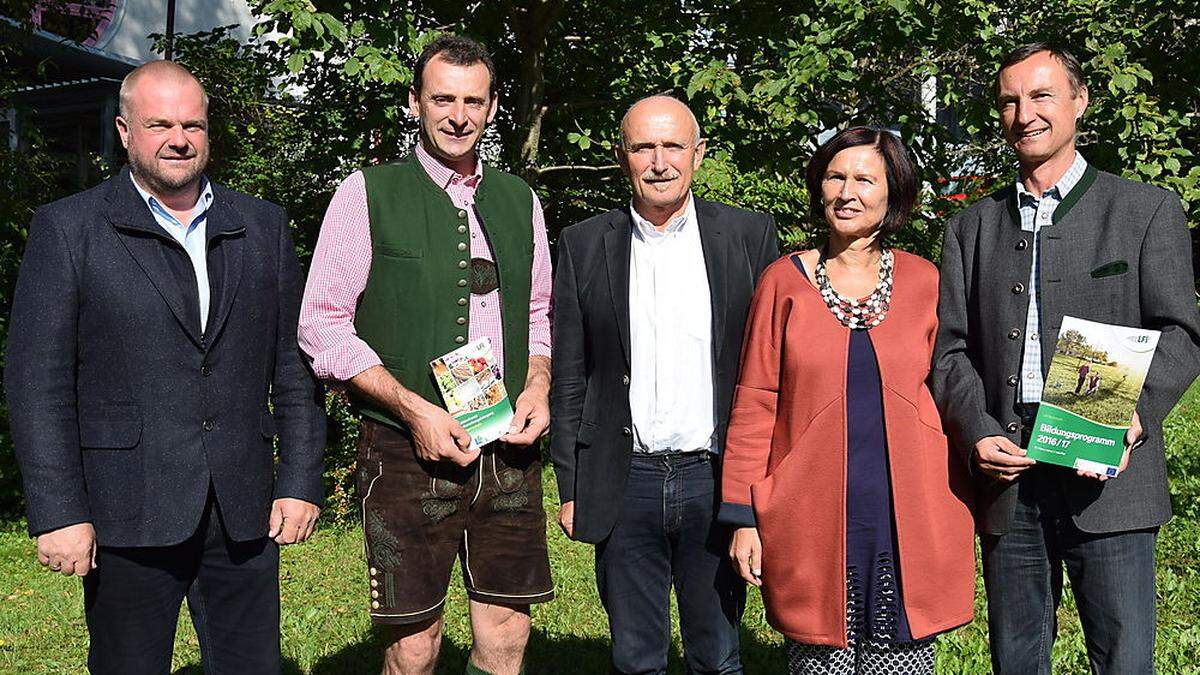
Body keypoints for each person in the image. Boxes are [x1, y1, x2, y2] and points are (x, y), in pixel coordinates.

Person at [5, 60, 326, 673]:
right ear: (125, 132)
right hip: (127, 504)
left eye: (193, 125)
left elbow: (295, 366)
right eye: (159, 125)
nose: (179, 139)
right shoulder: (70, 229)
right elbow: (37, 384)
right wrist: (59, 511)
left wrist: (300, 480)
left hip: (243, 508)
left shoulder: (261, 226)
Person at [932, 43, 1200, 674]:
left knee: (1123, 657)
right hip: (1012, 474)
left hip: (1110, 475)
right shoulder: (972, 227)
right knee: (1016, 659)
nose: (1025, 113)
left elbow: (1182, 331)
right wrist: (976, 432)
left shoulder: (1144, 209)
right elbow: (951, 350)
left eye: (1042, 95)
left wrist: (1132, 411)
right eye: (1010, 100)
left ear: (1078, 102)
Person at [298, 35, 553, 675]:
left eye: (473, 101)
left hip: (508, 447)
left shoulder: (520, 199)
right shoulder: (367, 193)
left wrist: (539, 385)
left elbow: (539, 313)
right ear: (415, 102)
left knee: (506, 633)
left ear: (493, 107)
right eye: (443, 99)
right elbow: (321, 325)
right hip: (405, 448)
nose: (458, 116)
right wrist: (412, 409)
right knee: (414, 648)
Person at [720, 127, 975, 674]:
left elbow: (955, 379)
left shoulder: (924, 280)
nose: (847, 191)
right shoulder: (782, 282)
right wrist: (744, 516)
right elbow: (755, 401)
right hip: (808, 511)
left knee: (901, 655)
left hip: (906, 512)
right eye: (835, 177)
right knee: (821, 657)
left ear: (894, 194)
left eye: (865, 179)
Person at [550, 95, 779, 675]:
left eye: (673, 145)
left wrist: (763, 486)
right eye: (643, 147)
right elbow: (571, 373)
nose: (659, 161)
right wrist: (572, 485)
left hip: (716, 476)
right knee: (635, 658)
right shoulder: (582, 245)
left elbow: (772, 370)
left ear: (698, 155)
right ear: (621, 157)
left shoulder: (748, 237)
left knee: (719, 654)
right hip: (624, 477)